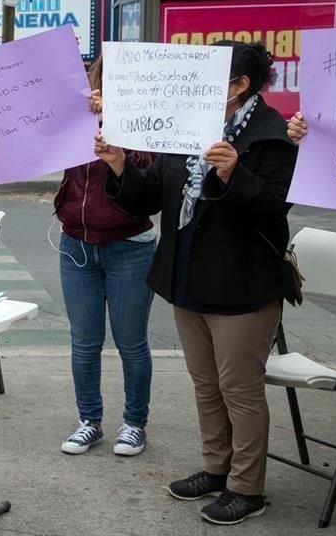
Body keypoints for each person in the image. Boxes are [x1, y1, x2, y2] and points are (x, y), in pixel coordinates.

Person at [96, 41, 297, 525]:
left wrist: (233, 175)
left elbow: (274, 214)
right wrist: (120, 164)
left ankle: (247, 488)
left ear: (238, 86)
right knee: (206, 384)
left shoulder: (274, 136)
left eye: (208, 77)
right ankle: (216, 467)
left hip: (242, 284)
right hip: (186, 274)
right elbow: (149, 199)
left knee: (239, 388)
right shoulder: (188, 125)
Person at [55, 56, 156, 457]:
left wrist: (116, 135)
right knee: (84, 342)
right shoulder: (74, 112)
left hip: (129, 245)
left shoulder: (148, 118)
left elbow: (151, 178)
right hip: (76, 242)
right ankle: (89, 421)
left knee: (131, 342)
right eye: (103, 77)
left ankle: (134, 423)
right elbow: (24, 137)